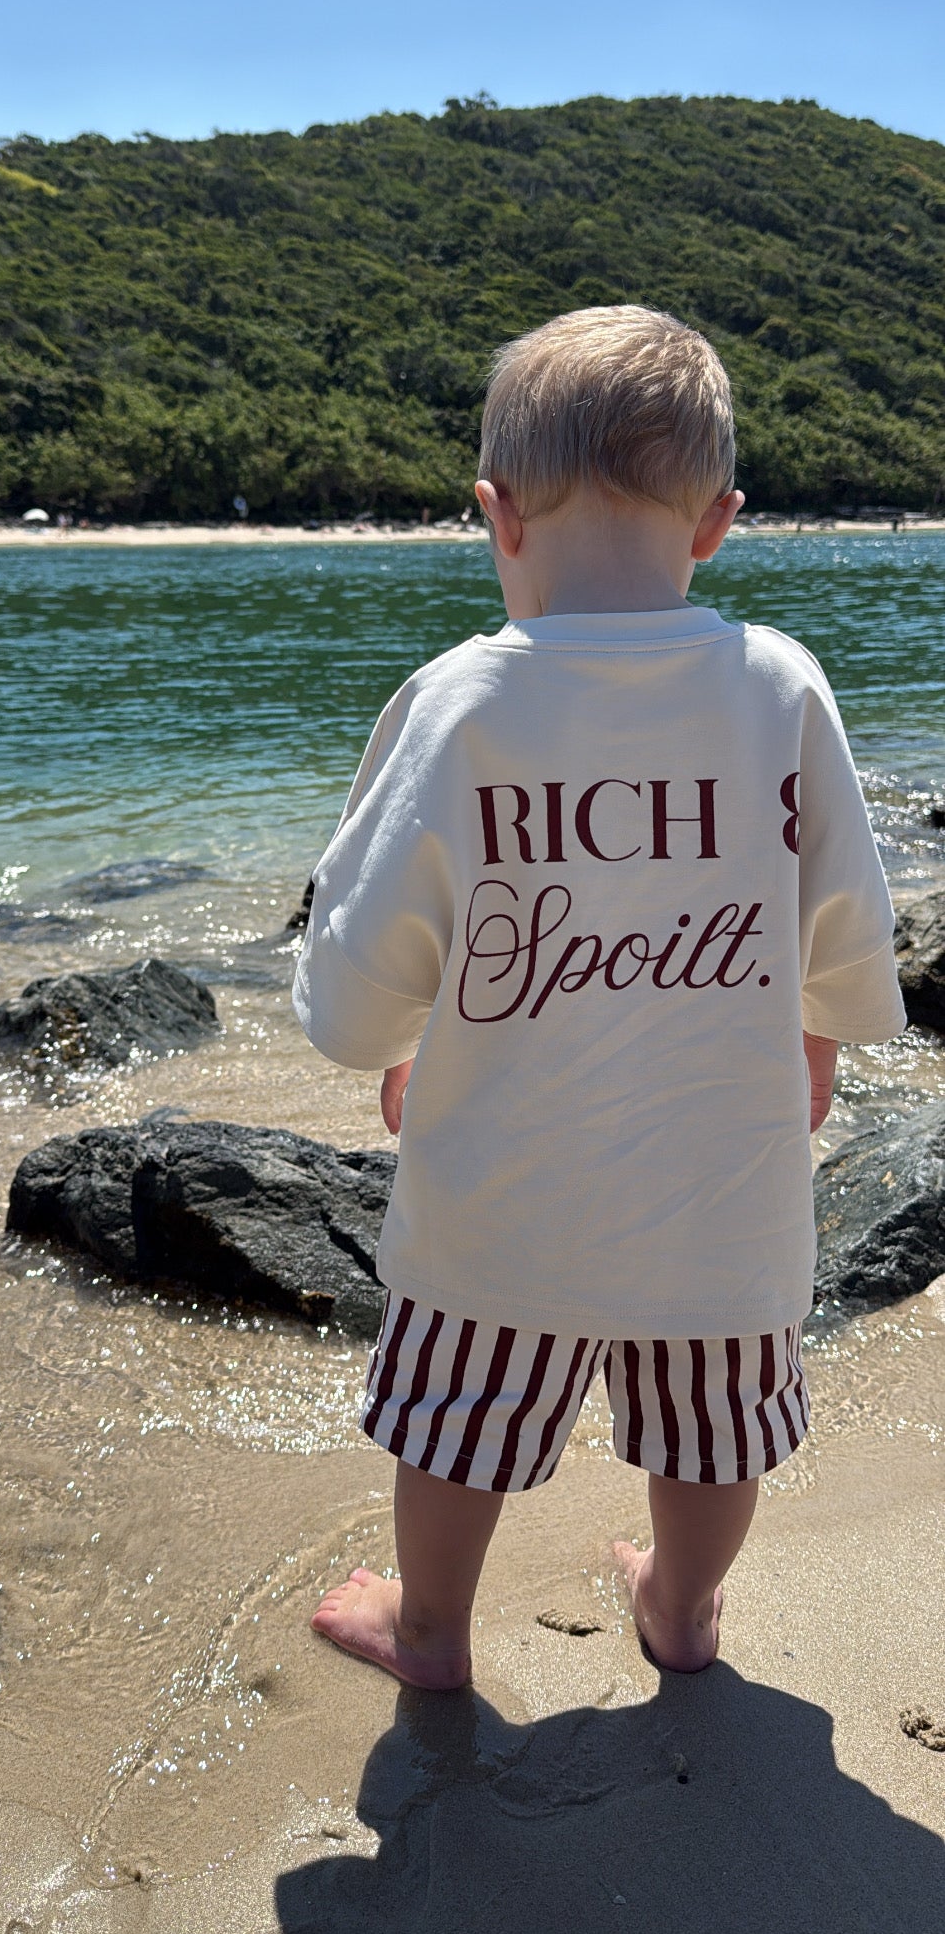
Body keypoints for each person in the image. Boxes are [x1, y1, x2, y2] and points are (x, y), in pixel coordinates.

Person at [293, 305, 905, 1688]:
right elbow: (843, 911)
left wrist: (387, 1040)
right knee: (713, 1422)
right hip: (721, 1182)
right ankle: (680, 1610)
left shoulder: (458, 701)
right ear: (717, 524)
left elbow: (367, 954)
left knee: (458, 1414)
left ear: (497, 512)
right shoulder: (779, 685)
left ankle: (428, 1629)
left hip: (500, 1187)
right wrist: (818, 1030)